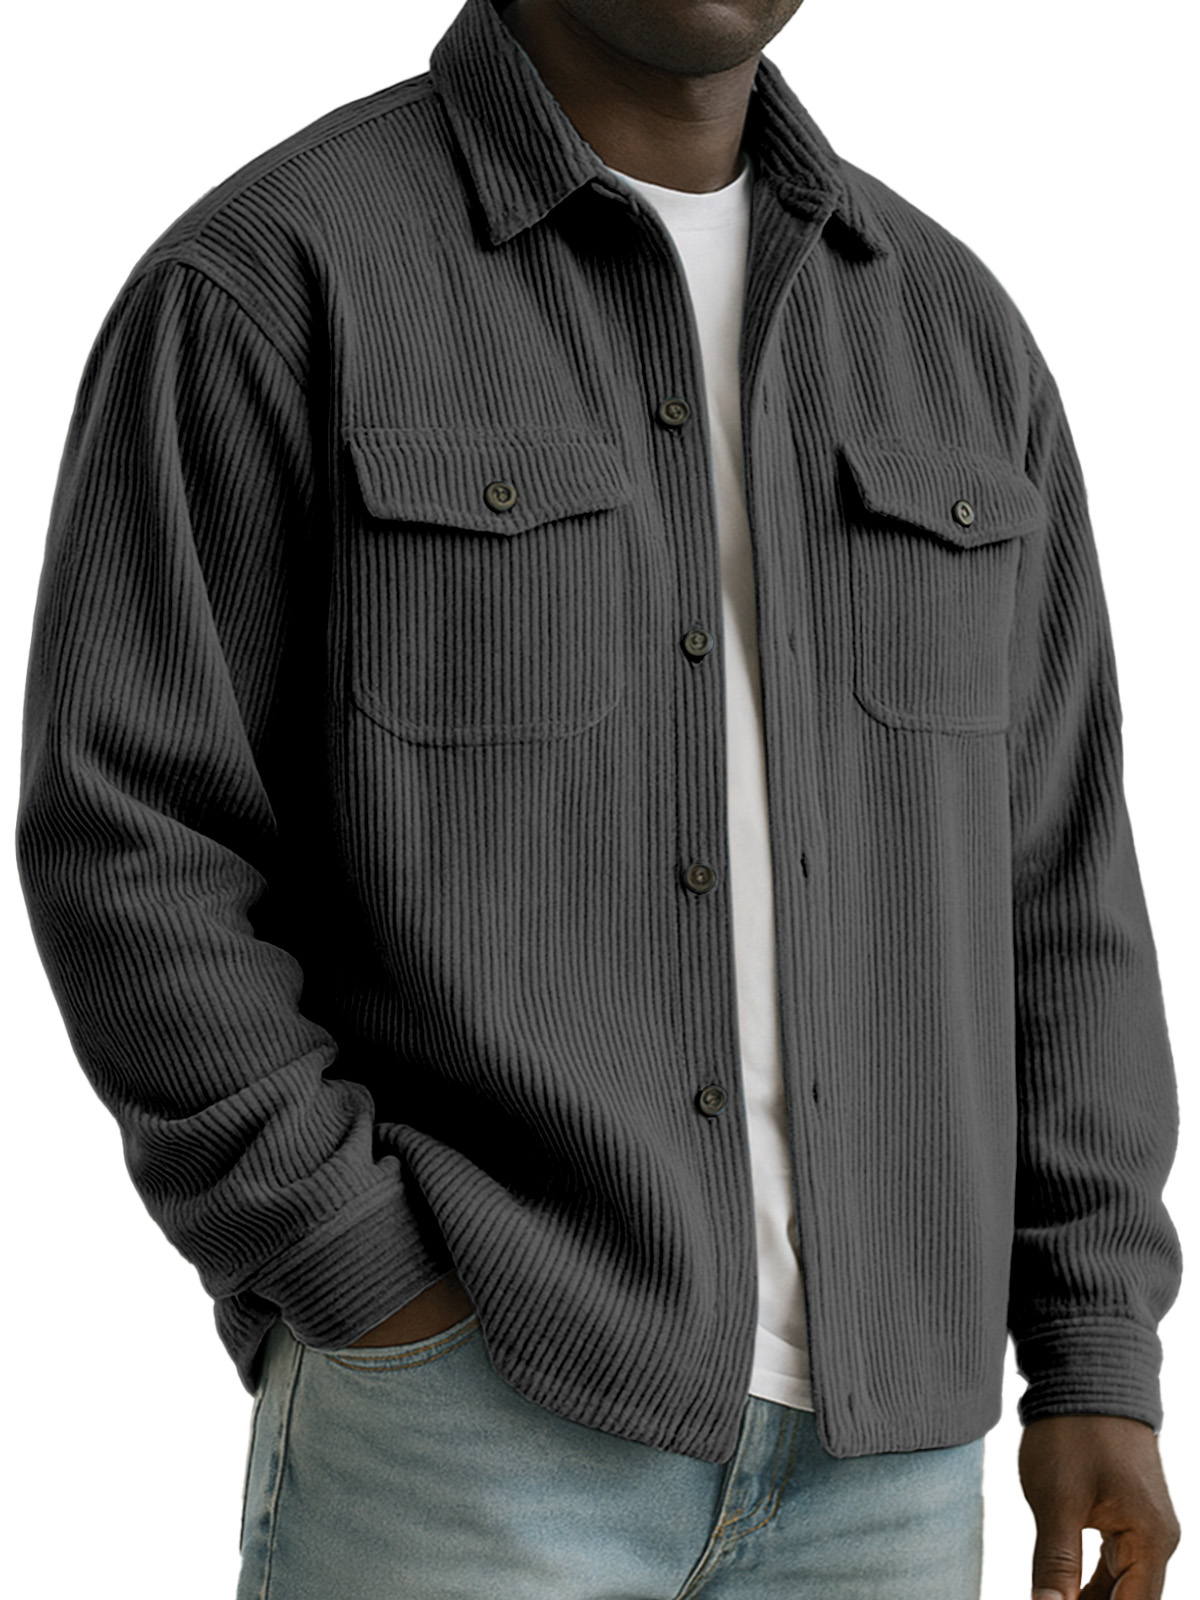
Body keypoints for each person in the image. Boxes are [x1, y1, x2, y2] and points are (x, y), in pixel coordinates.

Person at [14, 0, 1182, 1596]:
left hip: (891, 1475)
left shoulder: (955, 337)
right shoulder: (273, 281)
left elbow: (1058, 885)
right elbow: (128, 832)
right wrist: (359, 1270)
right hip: (476, 1433)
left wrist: (1095, 1343)